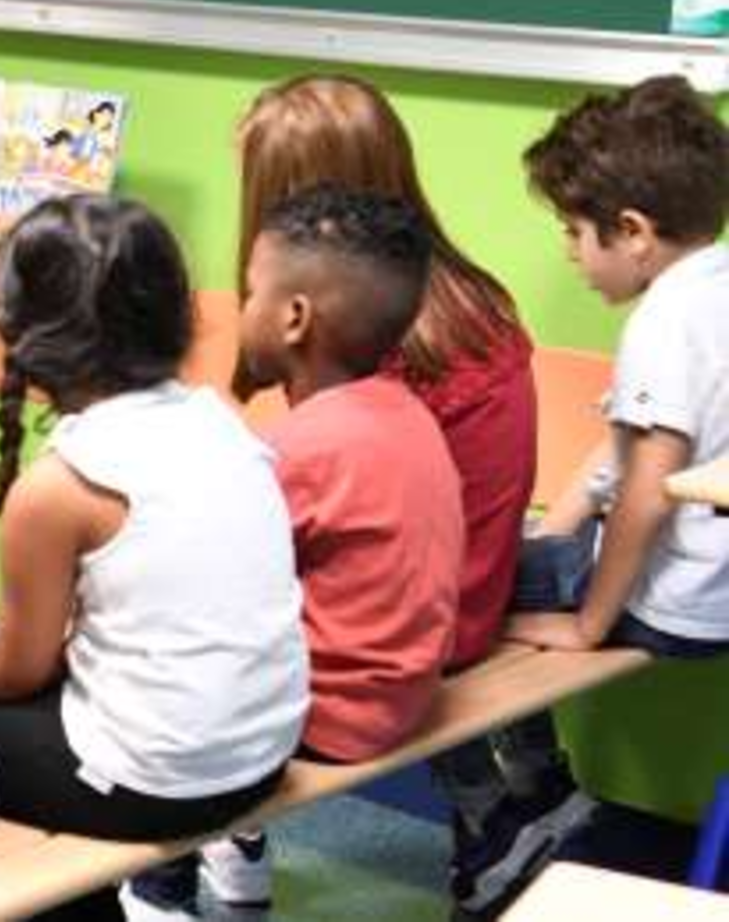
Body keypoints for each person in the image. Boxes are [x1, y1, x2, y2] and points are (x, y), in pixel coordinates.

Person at [0, 195, 308, 920]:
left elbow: (16, 671)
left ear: (20, 333)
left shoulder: (60, 486)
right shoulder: (223, 425)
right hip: (261, 758)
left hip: (160, 784)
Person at [228, 74, 540, 912]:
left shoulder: (380, 357)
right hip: (468, 588)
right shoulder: (465, 300)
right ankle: (497, 813)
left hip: (423, 625)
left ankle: (202, 852)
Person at [439, 74, 729, 916]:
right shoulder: (715, 288)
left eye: (574, 230)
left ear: (633, 231)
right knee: (512, 562)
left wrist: (588, 621)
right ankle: (544, 788)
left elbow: (647, 490)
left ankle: (502, 821)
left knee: (446, 598)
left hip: (672, 602)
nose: (570, 251)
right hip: (718, 583)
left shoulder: (662, 325)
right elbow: (625, 450)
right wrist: (552, 539)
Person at [133, 186, 465, 918]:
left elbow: (194, 572)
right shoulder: (404, 414)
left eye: (250, 290)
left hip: (331, 716)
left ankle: (158, 888)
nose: (241, 305)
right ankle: (241, 851)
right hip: (404, 692)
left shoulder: (306, 446)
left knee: (142, 657)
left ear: (294, 318)